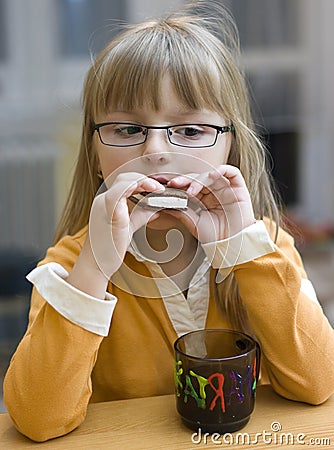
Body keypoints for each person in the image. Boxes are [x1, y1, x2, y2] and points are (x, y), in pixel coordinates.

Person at [4, 0, 334, 442]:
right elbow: (37, 420)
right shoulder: (68, 265)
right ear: (97, 156)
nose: (156, 151)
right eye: (127, 130)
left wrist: (244, 250)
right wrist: (93, 271)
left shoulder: (266, 246)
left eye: (191, 131)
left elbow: (317, 385)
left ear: (229, 149)